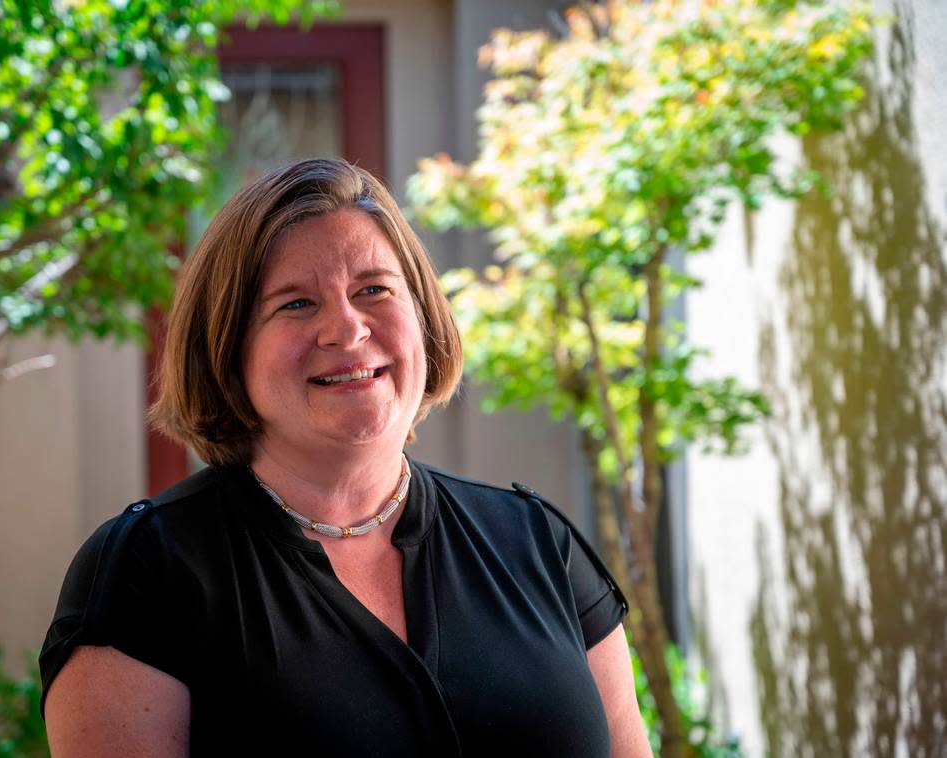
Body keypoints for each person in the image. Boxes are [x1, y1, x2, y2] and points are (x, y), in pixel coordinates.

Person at [39, 158, 652, 757]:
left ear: (423, 318)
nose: (348, 329)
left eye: (374, 290)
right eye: (297, 303)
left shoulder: (537, 544)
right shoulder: (150, 571)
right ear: (228, 349)